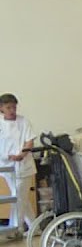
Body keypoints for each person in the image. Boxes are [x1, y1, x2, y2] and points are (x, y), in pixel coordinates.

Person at [0, 93, 36, 231]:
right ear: (1, 108)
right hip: (6, 166)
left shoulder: (24, 121)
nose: (12, 110)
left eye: (14, 107)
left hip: (23, 165)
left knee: (18, 197)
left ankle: (15, 228)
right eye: (8, 107)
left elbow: (29, 140)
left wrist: (22, 154)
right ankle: (34, 226)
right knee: (21, 198)